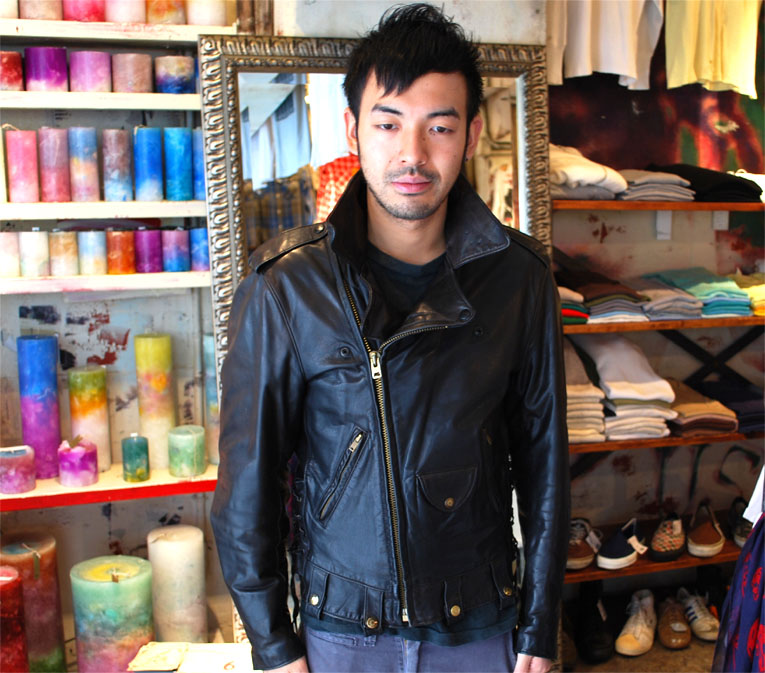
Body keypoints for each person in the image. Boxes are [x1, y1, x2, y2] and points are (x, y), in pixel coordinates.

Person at [211, 4, 569, 673]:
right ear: (352, 128)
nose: (413, 154)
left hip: (479, 619)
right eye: (388, 123)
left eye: (439, 126)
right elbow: (245, 487)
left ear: (471, 134)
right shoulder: (287, 285)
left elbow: (544, 461)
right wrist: (273, 647)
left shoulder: (518, 278)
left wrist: (540, 626)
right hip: (342, 627)